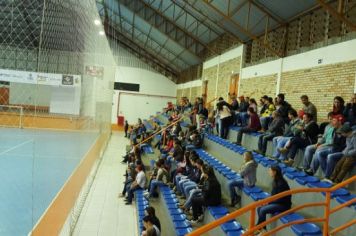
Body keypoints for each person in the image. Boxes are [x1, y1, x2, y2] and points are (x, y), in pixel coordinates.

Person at [255, 165, 292, 235]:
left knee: (263, 210)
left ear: (275, 172)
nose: (269, 172)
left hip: (284, 205)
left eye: (270, 170)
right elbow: (273, 196)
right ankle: (262, 228)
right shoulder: (275, 180)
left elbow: (280, 199)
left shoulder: (281, 183)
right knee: (259, 208)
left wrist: (268, 203)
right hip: (277, 202)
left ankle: (260, 229)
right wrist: (266, 201)